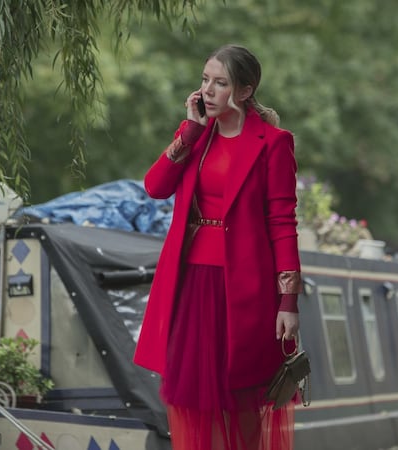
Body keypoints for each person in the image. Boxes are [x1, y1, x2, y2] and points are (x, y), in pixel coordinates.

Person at [133, 44, 303, 450]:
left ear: (244, 91)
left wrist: (288, 302)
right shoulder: (195, 134)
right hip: (191, 284)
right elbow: (155, 188)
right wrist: (188, 134)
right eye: (205, 79)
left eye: (220, 83)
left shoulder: (273, 143)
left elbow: (282, 222)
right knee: (194, 400)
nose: (208, 90)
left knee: (243, 399)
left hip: (245, 290)